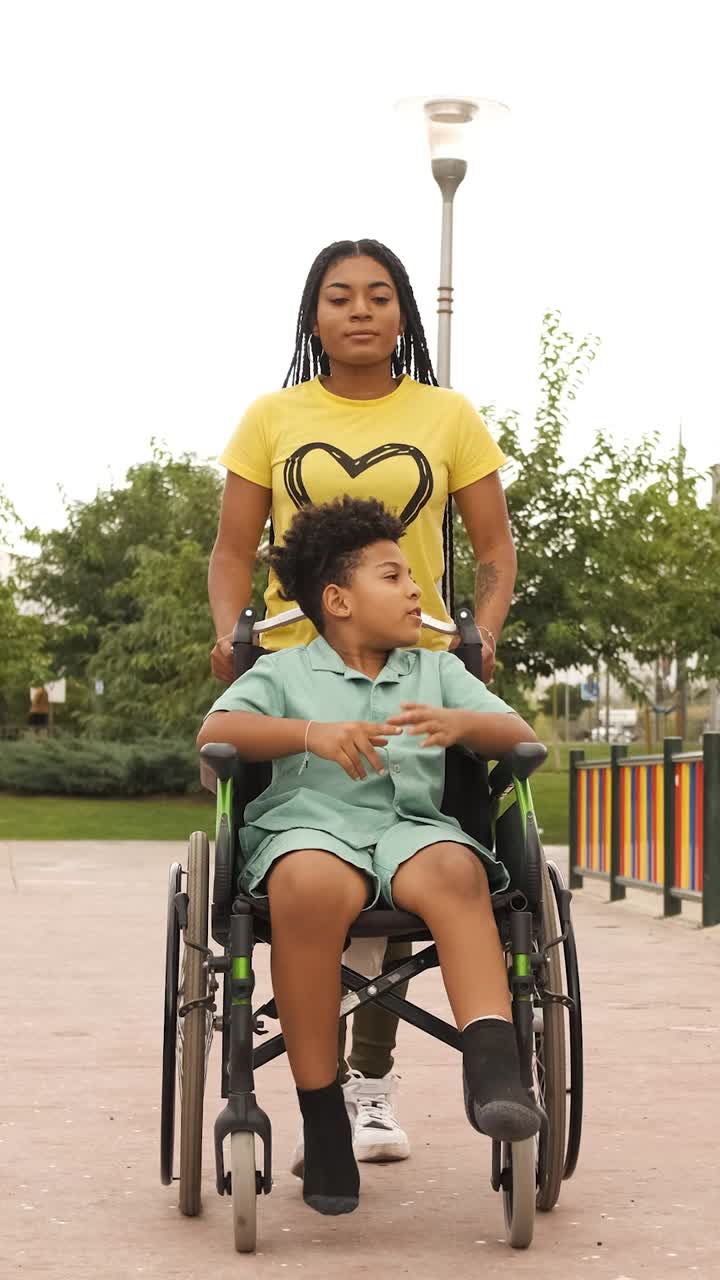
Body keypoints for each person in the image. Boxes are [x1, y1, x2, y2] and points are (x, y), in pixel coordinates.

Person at [208, 238, 517, 1167]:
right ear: (313, 317)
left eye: (379, 297)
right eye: (339, 297)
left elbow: (495, 548)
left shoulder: (448, 414)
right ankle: (329, 1102)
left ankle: (372, 1087)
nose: (360, 312)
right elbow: (232, 550)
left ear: (403, 314)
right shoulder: (272, 414)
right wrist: (230, 632)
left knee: (424, 856)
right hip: (297, 658)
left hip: (417, 656)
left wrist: (483, 631)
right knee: (316, 873)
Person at [198, 497, 538, 1217]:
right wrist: (308, 734)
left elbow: (518, 733)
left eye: (413, 576)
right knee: (308, 887)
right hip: (312, 828)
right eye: (395, 576)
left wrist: (463, 722)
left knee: (457, 870)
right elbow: (217, 731)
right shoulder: (287, 673)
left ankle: (495, 1070)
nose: (417, 590)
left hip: (412, 829)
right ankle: (323, 1119)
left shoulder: (435, 670)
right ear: (338, 599)